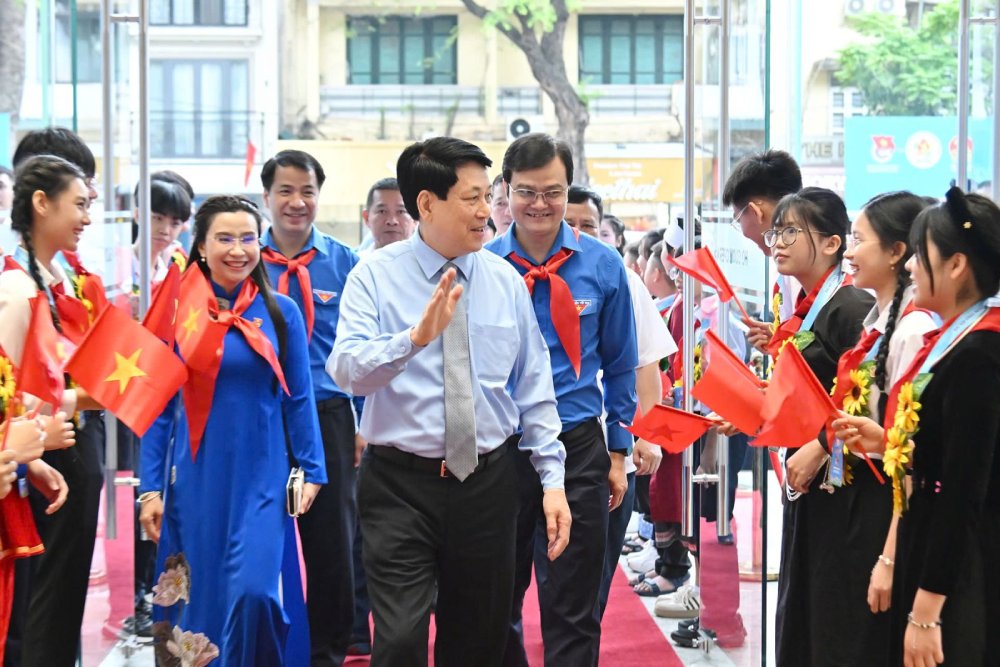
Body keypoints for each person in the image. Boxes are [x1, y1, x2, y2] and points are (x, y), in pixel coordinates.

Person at [328, 136, 571, 667]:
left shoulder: (505, 280)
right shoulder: (374, 275)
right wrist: (413, 339)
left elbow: (534, 387)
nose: (489, 211)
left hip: (487, 484)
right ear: (427, 204)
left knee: (478, 640)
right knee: (399, 640)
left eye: (490, 196)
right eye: (473, 198)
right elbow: (347, 371)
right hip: (399, 486)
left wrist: (552, 480)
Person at [139, 195, 326, 665]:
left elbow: (300, 398)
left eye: (248, 238)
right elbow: (156, 406)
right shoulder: (175, 311)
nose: (238, 249)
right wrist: (149, 489)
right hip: (195, 480)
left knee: (255, 594)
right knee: (197, 601)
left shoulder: (280, 311)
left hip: (261, 479)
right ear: (200, 246)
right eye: (225, 238)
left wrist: (313, 469)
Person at [486, 133, 637, 667]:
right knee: (494, 599)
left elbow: (621, 364)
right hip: (500, 450)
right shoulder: (481, 267)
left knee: (573, 603)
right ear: (505, 191)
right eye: (527, 191)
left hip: (577, 447)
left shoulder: (602, 264)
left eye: (553, 191)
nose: (540, 205)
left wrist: (618, 451)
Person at [836, 188, 1000, 666]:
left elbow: (964, 488)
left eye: (920, 254)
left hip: (962, 570)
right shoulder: (955, 340)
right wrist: (887, 440)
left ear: (956, 266)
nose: (909, 266)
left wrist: (926, 612)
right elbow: (953, 448)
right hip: (934, 551)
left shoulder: (979, 356)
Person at [762, 188, 876, 666]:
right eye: (777, 231)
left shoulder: (850, 308)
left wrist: (821, 445)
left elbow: (869, 396)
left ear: (831, 243)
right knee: (803, 600)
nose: (778, 242)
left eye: (791, 231)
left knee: (830, 612)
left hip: (842, 488)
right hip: (811, 484)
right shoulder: (811, 308)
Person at [257, 150, 361, 667]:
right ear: (266, 198)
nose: (296, 203)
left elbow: (369, 346)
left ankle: (327, 651)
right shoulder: (240, 261)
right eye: (285, 191)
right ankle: (265, 645)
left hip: (328, 416)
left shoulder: (346, 263)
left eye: (307, 191)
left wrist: (364, 421)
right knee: (260, 533)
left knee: (330, 543)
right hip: (259, 418)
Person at [1, 149, 101, 667]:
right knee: (39, 601)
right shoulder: (17, 290)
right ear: (41, 203)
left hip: (49, 453)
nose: (87, 217)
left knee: (57, 597)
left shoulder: (57, 283)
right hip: (29, 458)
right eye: (78, 204)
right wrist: (87, 396)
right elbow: (10, 394)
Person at [564, 184, 675, 617]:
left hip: (607, 450)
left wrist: (646, 437)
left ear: (608, 231)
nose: (578, 232)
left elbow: (646, 364)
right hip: (529, 450)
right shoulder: (514, 272)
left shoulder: (621, 278)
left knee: (592, 577)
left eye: (588, 224)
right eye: (568, 223)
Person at [721, 149, 803, 348]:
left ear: (754, 211)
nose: (741, 231)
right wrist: (781, 339)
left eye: (737, 219)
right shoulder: (791, 263)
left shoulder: (799, 265)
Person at [361, 177, 416, 253]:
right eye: (382, 211)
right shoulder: (355, 263)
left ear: (416, 219)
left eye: (401, 211)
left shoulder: (432, 263)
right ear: (367, 218)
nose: (392, 221)